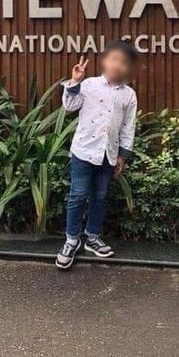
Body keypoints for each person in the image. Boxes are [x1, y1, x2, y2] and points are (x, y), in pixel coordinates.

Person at [55, 40, 138, 270]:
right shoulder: (89, 85)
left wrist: (123, 155)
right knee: (78, 196)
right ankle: (71, 241)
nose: (117, 65)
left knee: (100, 197)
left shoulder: (129, 95)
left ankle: (92, 238)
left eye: (123, 62)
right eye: (114, 59)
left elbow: (128, 127)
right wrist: (74, 82)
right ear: (104, 61)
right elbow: (69, 106)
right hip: (83, 151)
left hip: (108, 155)